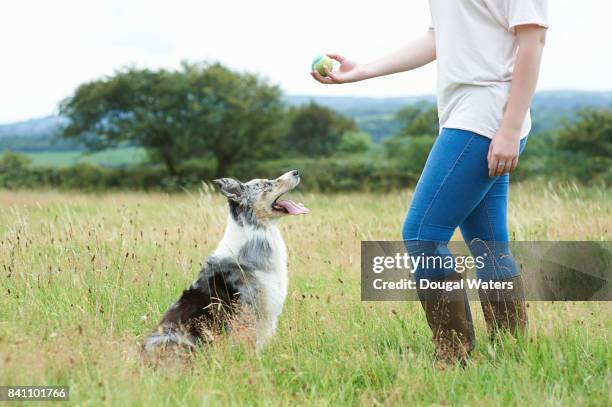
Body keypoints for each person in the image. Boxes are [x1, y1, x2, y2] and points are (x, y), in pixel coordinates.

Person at [312, 0, 548, 364]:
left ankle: (452, 354)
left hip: (487, 112)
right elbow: (440, 35)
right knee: (489, 244)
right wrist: (364, 71)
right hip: (463, 109)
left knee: (422, 234)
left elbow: (533, 42)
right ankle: (513, 351)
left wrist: (511, 127)